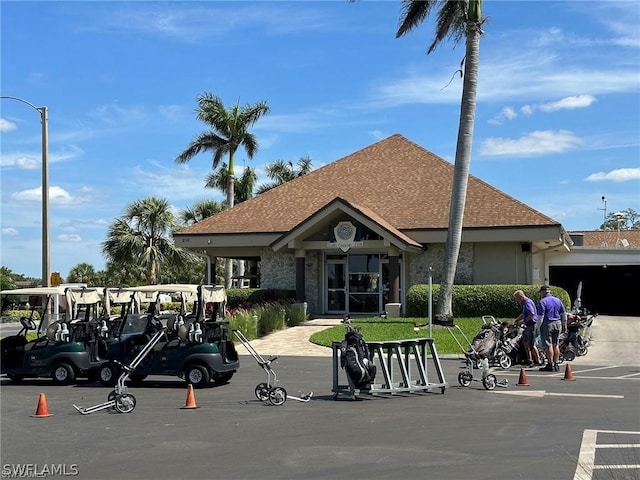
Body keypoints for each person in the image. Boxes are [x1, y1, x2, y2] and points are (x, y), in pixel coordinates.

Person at [537, 285, 567, 372]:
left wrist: (537, 328)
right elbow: (564, 314)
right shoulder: (558, 300)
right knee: (556, 344)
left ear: (542, 292)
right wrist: (564, 325)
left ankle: (550, 364)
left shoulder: (542, 301)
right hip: (558, 323)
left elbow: (540, 317)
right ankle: (556, 363)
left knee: (548, 345)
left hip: (547, 323)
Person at [513, 290, 541, 367]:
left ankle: (537, 360)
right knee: (525, 342)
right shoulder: (525, 303)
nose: (517, 301)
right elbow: (524, 313)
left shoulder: (527, 302)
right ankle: (529, 359)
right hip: (529, 325)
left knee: (531, 344)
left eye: (517, 299)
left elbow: (531, 314)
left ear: (521, 297)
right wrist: (517, 320)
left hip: (531, 325)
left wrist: (523, 322)